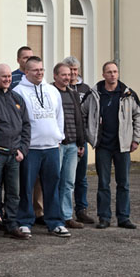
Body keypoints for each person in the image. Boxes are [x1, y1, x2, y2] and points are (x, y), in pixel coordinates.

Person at [83, 61, 140, 230]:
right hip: (103, 146)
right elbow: (82, 114)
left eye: (115, 71)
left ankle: (123, 217)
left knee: (123, 183)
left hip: (122, 146)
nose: (112, 75)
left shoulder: (128, 94)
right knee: (103, 184)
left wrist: (136, 139)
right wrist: (89, 135)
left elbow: (139, 115)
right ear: (103, 74)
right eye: (109, 72)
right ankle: (104, 217)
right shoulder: (94, 94)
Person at [15, 57, 69, 238]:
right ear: (26, 72)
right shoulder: (18, 92)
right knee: (26, 187)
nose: (39, 73)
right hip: (31, 149)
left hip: (52, 147)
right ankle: (24, 221)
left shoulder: (52, 91)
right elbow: (17, 121)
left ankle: (55, 222)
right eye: (35, 70)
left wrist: (59, 137)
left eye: (41, 69)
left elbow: (59, 115)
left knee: (52, 186)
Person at [0, 63, 31, 240]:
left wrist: (23, 149)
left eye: (9, 76)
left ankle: (11, 224)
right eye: (3, 76)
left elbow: (26, 125)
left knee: (13, 192)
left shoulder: (17, 98)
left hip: (14, 154)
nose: (7, 79)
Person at [52, 62, 85, 230]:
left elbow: (78, 119)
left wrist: (81, 142)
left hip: (72, 145)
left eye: (69, 74)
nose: (67, 77)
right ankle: (53, 216)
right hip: (56, 145)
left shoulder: (73, 94)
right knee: (54, 181)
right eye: (63, 74)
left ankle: (66, 216)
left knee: (69, 182)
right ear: (55, 76)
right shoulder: (50, 92)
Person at [63, 56, 94, 224]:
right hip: (67, 138)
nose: (73, 73)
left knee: (81, 177)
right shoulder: (58, 89)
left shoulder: (85, 88)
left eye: (75, 69)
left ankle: (81, 209)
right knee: (65, 178)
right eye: (70, 70)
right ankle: (63, 212)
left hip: (82, 138)